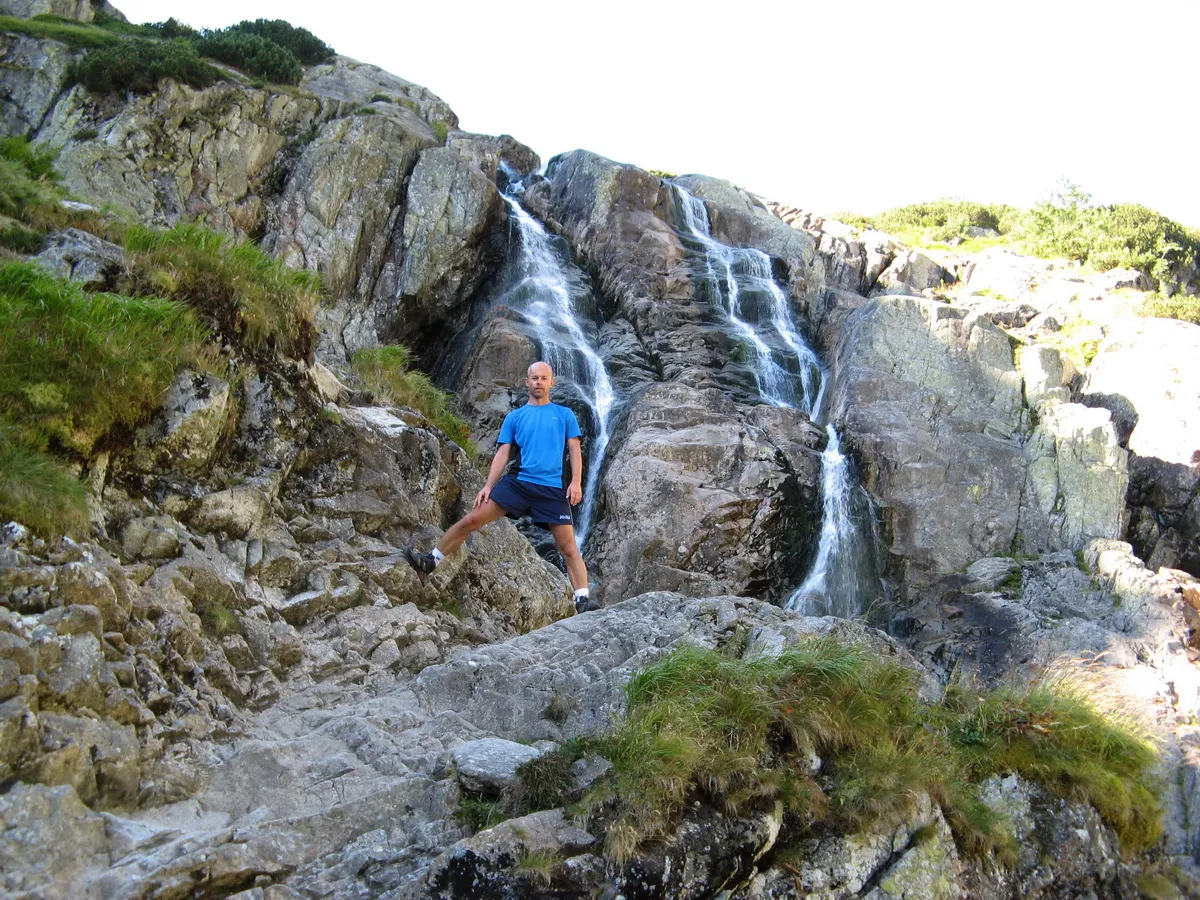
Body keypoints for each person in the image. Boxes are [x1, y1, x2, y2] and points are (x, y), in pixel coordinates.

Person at [405, 361, 599, 613]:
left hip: (552, 489)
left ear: (551, 383)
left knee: (568, 547)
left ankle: (582, 600)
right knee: (470, 521)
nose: (539, 382)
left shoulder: (564, 415)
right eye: (534, 378)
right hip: (518, 483)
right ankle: (430, 561)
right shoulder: (515, 417)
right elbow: (503, 453)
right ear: (526, 382)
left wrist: (575, 482)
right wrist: (488, 486)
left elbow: (574, 449)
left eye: (543, 378)